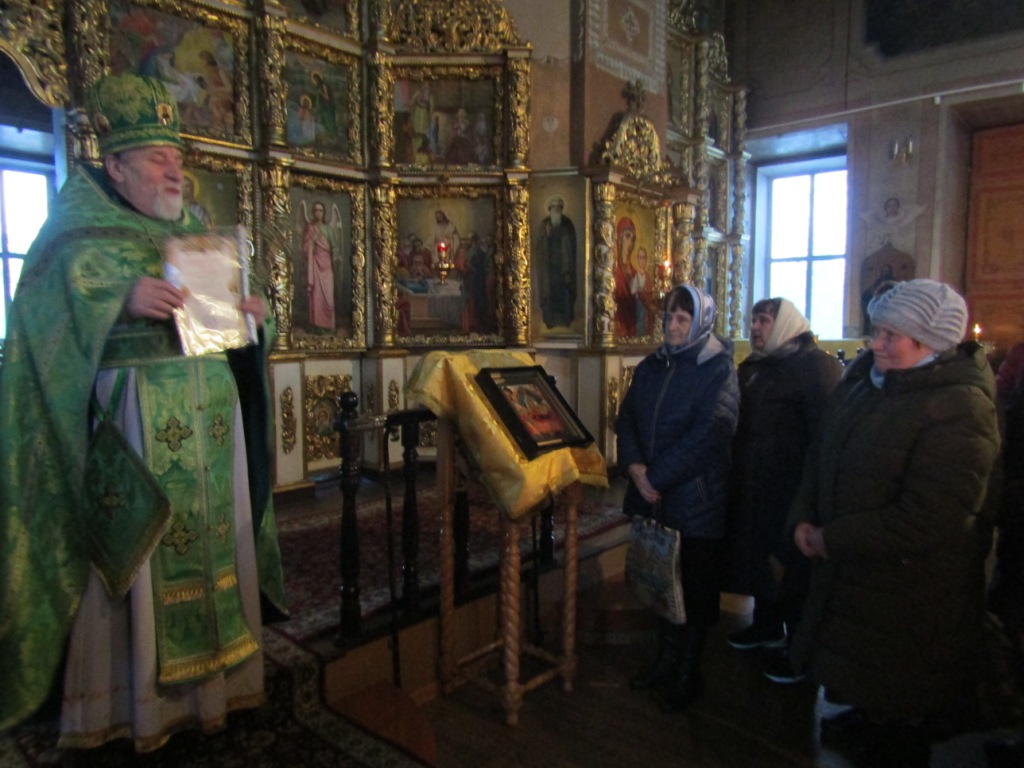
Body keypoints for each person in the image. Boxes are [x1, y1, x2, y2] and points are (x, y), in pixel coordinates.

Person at [0, 73, 287, 751]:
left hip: (211, 428)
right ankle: (134, 708)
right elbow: (36, 321)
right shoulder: (73, 232)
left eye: (177, 158)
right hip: (131, 428)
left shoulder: (197, 236)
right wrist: (117, 299)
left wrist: (255, 319)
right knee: (140, 556)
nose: (175, 171)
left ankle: (219, 691)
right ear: (116, 165)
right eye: (158, 159)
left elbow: (229, 331)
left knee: (215, 550)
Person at [787, 279, 1000, 767]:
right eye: (877, 330)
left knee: (900, 702)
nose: (875, 343)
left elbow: (930, 517)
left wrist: (829, 539)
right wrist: (803, 515)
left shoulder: (961, 407)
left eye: (890, 335)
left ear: (930, 343)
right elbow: (821, 453)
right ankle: (869, 719)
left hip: (910, 590)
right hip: (854, 575)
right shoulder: (866, 381)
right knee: (868, 679)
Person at [616, 285, 739, 713]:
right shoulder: (653, 365)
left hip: (696, 500)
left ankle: (689, 672)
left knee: (695, 590)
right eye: (668, 316)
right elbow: (627, 417)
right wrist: (634, 466)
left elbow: (711, 434)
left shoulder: (717, 369)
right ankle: (665, 660)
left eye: (682, 319)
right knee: (662, 585)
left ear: (701, 322)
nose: (671, 325)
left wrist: (656, 477)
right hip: (655, 495)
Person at [725, 298, 842, 684]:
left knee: (795, 571)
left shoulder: (815, 366)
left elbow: (825, 436)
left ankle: (800, 651)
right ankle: (766, 626)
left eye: (764, 320)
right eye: (753, 320)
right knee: (761, 561)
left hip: (793, 489)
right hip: (755, 485)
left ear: (785, 324)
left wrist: (814, 495)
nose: (755, 327)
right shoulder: (757, 364)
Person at [535, 196, 577, 329]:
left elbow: (572, 244)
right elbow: (539, 247)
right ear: (549, 209)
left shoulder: (567, 223)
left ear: (562, 208)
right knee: (550, 294)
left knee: (564, 293)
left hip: (564, 268)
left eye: (559, 207)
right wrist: (546, 236)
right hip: (549, 268)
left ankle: (565, 320)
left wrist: (563, 236)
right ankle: (550, 321)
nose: (556, 209)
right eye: (553, 207)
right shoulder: (544, 224)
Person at [301, 200, 342, 333]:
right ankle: (317, 325)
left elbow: (334, 246)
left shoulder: (328, 229)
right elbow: (305, 247)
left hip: (327, 264)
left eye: (321, 210)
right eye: (316, 210)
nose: (318, 213)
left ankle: (328, 325)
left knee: (328, 296)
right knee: (316, 294)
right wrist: (313, 240)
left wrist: (336, 256)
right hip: (316, 264)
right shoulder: (311, 228)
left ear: (324, 213)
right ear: (313, 212)